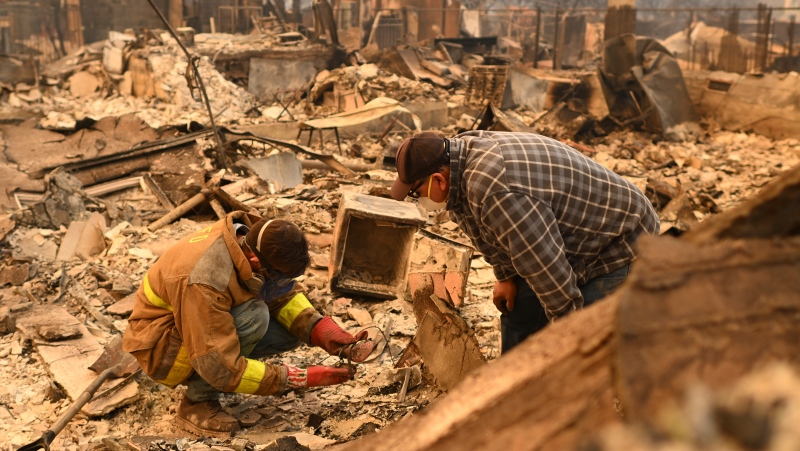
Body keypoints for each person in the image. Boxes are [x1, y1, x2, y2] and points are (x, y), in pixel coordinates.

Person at [390, 131, 659, 353]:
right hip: (570, 235)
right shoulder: (458, 163)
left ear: (438, 179)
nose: (418, 200)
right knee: (518, 311)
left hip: (620, 238)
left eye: (415, 193)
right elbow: (479, 228)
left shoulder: (497, 192)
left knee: (586, 341)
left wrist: (571, 337)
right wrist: (505, 276)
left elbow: (550, 272)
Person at [123, 211, 374, 436]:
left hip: (198, 323)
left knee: (290, 330)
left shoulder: (256, 239)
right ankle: (196, 403)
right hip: (162, 348)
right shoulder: (205, 279)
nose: (282, 282)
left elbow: (280, 294)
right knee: (255, 317)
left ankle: (218, 375)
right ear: (255, 261)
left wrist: (327, 334)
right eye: (279, 275)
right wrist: (300, 378)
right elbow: (218, 365)